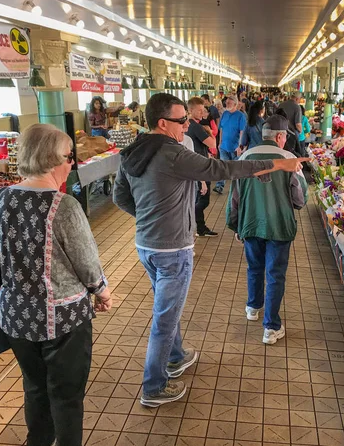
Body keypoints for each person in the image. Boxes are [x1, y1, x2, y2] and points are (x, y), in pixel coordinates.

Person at [113, 93, 308, 407]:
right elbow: (223, 170)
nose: (188, 125)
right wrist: (277, 163)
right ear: (162, 123)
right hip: (173, 249)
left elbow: (119, 198)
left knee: (168, 307)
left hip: (145, 246)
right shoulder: (172, 153)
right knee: (164, 317)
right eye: (182, 121)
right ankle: (153, 387)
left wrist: (148, 218)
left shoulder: (132, 151)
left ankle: (176, 356)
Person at [0, 123, 112, 446]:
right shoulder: (64, 206)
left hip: (16, 319)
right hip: (63, 321)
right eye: (68, 157)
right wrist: (102, 292)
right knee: (66, 396)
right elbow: (88, 264)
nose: (71, 164)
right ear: (51, 160)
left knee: (35, 388)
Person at [226, 114, 308, 344]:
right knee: (275, 274)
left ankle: (253, 307)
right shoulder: (289, 159)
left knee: (254, 267)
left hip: (250, 224)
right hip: (279, 226)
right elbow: (300, 199)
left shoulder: (245, 157)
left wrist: (236, 224)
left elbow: (235, 197)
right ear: (280, 137)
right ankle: (271, 327)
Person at [187, 97, 218, 237]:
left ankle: (199, 227)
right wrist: (210, 132)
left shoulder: (188, 126)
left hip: (198, 164)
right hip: (200, 168)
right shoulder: (195, 126)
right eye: (199, 110)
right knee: (202, 200)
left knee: (199, 199)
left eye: (203, 110)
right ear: (190, 110)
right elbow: (212, 144)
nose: (202, 113)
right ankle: (192, 225)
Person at [214, 94, 247, 194]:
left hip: (235, 147)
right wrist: (219, 143)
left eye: (229, 103)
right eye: (226, 102)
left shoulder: (241, 116)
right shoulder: (224, 114)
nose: (227, 104)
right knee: (223, 166)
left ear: (235, 104)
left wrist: (240, 146)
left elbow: (242, 132)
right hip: (224, 146)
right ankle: (219, 186)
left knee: (235, 169)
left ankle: (237, 188)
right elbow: (221, 129)